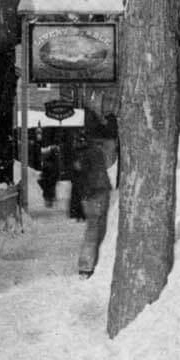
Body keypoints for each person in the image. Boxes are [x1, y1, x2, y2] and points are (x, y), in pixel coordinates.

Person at [66, 114, 117, 279]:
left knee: (94, 229)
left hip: (89, 194)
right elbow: (105, 164)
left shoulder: (80, 154)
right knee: (95, 229)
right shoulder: (95, 152)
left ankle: (89, 264)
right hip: (97, 192)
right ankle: (87, 266)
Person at [37, 142, 61, 209]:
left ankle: (49, 202)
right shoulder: (55, 158)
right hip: (51, 176)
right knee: (50, 188)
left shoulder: (51, 158)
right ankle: (50, 201)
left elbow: (49, 167)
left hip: (50, 176)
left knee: (48, 188)